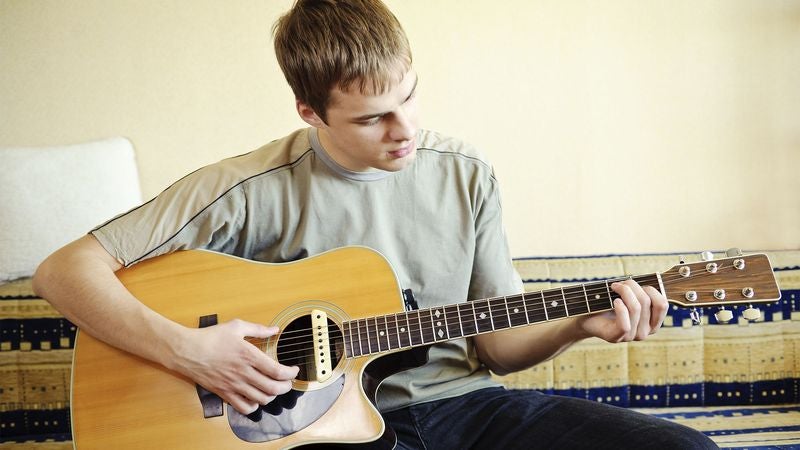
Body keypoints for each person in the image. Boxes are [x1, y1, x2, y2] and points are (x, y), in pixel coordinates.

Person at [33, 0, 718, 448]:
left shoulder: (466, 174)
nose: (405, 131)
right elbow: (63, 271)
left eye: (409, 97)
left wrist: (578, 324)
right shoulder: (246, 188)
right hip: (322, 430)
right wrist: (188, 351)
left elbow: (499, 345)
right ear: (310, 113)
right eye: (370, 119)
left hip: (462, 408)